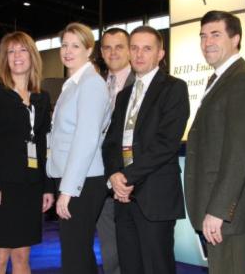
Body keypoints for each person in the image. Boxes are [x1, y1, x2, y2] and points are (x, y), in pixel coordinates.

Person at [184, 11, 245, 274]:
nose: (207, 42)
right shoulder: (220, 78)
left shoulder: (244, 80)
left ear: (236, 38)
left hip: (229, 216)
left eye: (216, 34)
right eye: (203, 36)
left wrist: (219, 211)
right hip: (220, 212)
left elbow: (239, 154)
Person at [102, 26, 190, 274]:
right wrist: (114, 175)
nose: (139, 54)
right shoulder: (124, 95)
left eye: (147, 48)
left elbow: (166, 144)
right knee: (130, 266)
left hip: (155, 195)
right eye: (135, 48)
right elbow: (110, 143)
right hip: (123, 197)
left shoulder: (174, 88)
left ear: (160, 54)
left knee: (156, 267)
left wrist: (128, 177)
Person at [0, 31, 54, 274]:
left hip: (30, 187)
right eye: (10, 51)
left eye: (22, 50)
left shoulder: (42, 97)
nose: (16, 56)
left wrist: (48, 186)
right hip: (1, 186)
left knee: (22, 256)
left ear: (32, 56)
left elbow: (43, 145)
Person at [46, 22, 111, 274]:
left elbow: (86, 139)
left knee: (75, 252)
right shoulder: (73, 83)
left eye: (75, 45)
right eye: (64, 45)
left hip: (83, 181)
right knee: (77, 251)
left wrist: (68, 189)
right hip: (74, 180)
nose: (68, 51)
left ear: (89, 50)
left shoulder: (90, 84)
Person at [97, 27, 134, 274]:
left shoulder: (142, 86)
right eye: (107, 47)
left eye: (119, 46)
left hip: (130, 182)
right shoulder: (96, 85)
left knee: (133, 252)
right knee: (110, 253)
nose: (113, 52)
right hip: (99, 179)